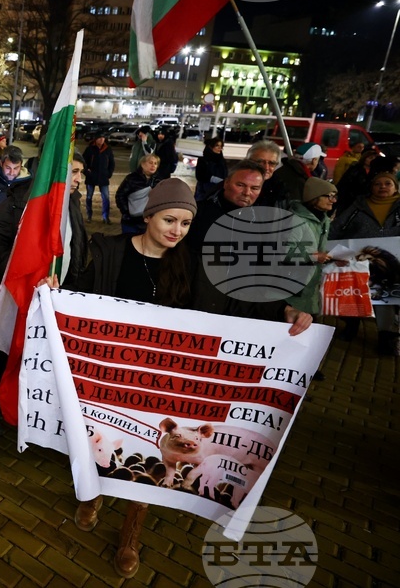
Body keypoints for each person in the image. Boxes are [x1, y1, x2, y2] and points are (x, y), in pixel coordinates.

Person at [70, 178, 312, 578]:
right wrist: (52, 288)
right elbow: (76, 295)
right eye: (169, 219)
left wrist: (285, 311)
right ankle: (92, 495)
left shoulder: (193, 263)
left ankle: (133, 527)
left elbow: (238, 299)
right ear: (148, 216)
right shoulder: (108, 251)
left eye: (184, 223)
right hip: (115, 376)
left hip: (166, 382)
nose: (176, 230)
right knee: (100, 441)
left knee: (152, 454)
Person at [0, 154, 88, 436]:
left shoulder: (72, 201)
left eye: (81, 172)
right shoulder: (21, 198)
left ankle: (29, 406)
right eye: (74, 171)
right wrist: (21, 275)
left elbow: (75, 244)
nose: (79, 179)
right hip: (21, 293)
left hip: (58, 295)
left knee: (39, 352)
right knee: (6, 348)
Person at [330, 171, 400, 354]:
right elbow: (336, 228)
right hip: (358, 261)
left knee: (386, 299)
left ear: (395, 187)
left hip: (390, 265)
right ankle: (351, 326)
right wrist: (332, 250)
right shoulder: (358, 206)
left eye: (388, 183)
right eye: (378, 184)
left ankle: (387, 337)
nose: (383, 187)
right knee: (355, 296)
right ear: (371, 187)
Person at [185, 160, 267, 252]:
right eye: (240, 185)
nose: (247, 193)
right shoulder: (197, 213)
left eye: (254, 188)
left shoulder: (261, 221)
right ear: (226, 183)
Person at [285, 177, 336, 317]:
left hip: (310, 289)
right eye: (329, 196)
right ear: (314, 197)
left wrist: (331, 257)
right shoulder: (296, 219)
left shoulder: (323, 219)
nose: (333, 200)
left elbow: (318, 250)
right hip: (292, 289)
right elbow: (284, 253)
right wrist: (315, 256)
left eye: (334, 196)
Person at [115, 153, 161, 235]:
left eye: (155, 163)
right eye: (150, 163)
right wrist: (127, 212)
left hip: (148, 222)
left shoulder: (159, 181)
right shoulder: (131, 178)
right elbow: (120, 196)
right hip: (130, 221)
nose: (153, 165)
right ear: (142, 164)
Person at [82, 133, 115, 224]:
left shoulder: (107, 149)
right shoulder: (89, 149)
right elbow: (83, 162)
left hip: (103, 177)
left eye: (103, 138)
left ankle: (105, 217)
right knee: (89, 197)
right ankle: (89, 215)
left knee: (106, 198)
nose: (102, 140)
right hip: (91, 177)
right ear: (95, 139)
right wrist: (87, 172)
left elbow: (112, 162)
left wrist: (109, 173)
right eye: (100, 138)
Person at [247, 140, 289, 209]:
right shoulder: (235, 184)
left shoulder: (281, 189)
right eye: (260, 162)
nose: (266, 168)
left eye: (271, 163)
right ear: (248, 161)